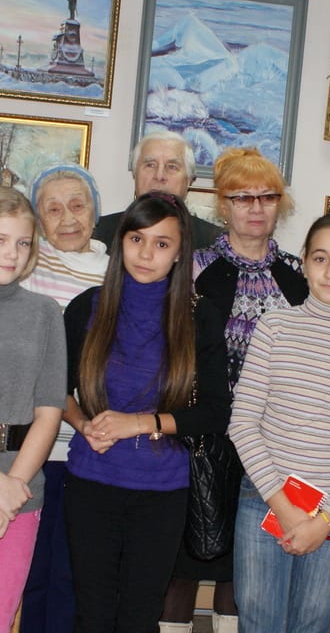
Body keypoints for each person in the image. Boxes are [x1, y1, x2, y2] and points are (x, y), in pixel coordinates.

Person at [62, 191, 231, 632]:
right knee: (92, 613)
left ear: (179, 253)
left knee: (140, 616)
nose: (146, 253)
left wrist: (138, 423)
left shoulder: (199, 316)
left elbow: (215, 413)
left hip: (161, 491)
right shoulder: (87, 307)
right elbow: (55, 390)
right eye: (137, 239)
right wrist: (84, 424)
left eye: (162, 243)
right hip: (90, 482)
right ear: (121, 241)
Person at [160, 148, 307, 633]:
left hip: (274, 444)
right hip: (202, 439)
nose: (255, 207)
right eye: (243, 197)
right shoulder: (193, 269)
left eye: (267, 197)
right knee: (184, 564)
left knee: (245, 569)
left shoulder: (299, 276)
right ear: (223, 205)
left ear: (280, 204)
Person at [229, 210, 330, 633]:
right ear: (303, 262)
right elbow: (243, 423)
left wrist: (324, 520)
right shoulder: (274, 327)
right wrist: (284, 509)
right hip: (265, 499)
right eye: (321, 258)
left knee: (313, 624)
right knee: (258, 623)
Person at [20, 164, 109, 633]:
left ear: (95, 210)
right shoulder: (25, 269)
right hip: (31, 452)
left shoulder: (117, 272)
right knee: (32, 571)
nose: (68, 218)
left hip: (91, 451)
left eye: (78, 205)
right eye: (53, 209)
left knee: (74, 574)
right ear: (38, 219)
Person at [0, 187, 66, 632]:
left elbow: (49, 411)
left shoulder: (45, 313)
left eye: (23, 242)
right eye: (2, 239)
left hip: (20, 490)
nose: (12, 253)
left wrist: (12, 486)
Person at [93, 131, 221, 250]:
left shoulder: (215, 243)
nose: (159, 176)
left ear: (189, 180)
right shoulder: (98, 234)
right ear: (135, 174)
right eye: (150, 165)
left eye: (172, 167)